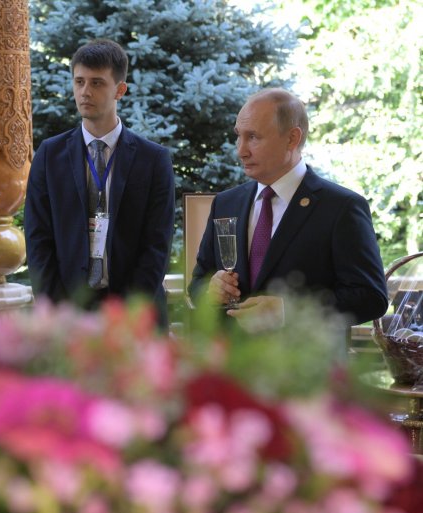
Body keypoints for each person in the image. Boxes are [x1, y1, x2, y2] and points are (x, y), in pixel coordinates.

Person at [189, 88, 388, 328]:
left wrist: (288, 310)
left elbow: (371, 297)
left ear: (292, 138)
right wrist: (211, 289)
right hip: (233, 361)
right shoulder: (226, 203)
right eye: (238, 136)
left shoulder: (341, 207)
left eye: (253, 137)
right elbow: (199, 281)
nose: (240, 150)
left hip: (306, 363)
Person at [24, 39, 175, 325]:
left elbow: (157, 247)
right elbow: (38, 241)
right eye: (79, 81)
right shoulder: (49, 155)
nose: (85, 91)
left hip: (135, 318)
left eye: (97, 83)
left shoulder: (153, 160)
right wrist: (62, 313)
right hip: (66, 317)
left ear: (120, 90)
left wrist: (124, 318)